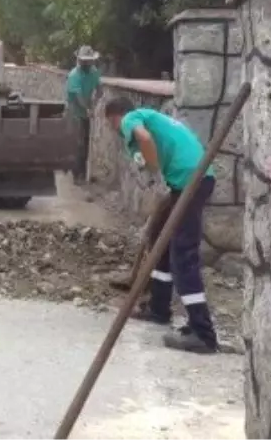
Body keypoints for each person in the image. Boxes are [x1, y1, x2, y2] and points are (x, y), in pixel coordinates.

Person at [103, 98, 218, 354]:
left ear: (115, 117)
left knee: (183, 255)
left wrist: (155, 172)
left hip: (191, 181)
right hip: (189, 181)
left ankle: (203, 333)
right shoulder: (154, 117)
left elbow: (143, 138)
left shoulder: (131, 119)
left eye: (112, 123)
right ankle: (158, 309)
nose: (115, 130)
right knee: (161, 241)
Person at [66, 45, 102, 186]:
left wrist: (95, 101)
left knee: (86, 143)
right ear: (79, 60)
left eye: (89, 60)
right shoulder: (74, 75)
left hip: (86, 111)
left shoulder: (94, 72)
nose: (86, 63)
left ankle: (84, 172)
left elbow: (100, 89)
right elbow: (78, 96)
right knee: (78, 144)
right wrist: (87, 108)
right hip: (75, 112)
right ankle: (77, 175)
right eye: (84, 60)